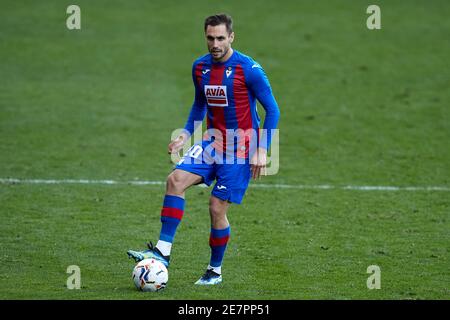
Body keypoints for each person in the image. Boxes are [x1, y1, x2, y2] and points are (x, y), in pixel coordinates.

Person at [127, 13, 280, 285]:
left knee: (216, 207)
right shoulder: (200, 68)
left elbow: (273, 110)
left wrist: (262, 149)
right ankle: (162, 252)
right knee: (175, 180)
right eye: (210, 38)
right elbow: (200, 104)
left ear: (231, 37)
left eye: (221, 38)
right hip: (212, 142)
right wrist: (185, 134)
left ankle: (214, 271)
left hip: (242, 149)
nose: (215, 43)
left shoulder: (249, 69)